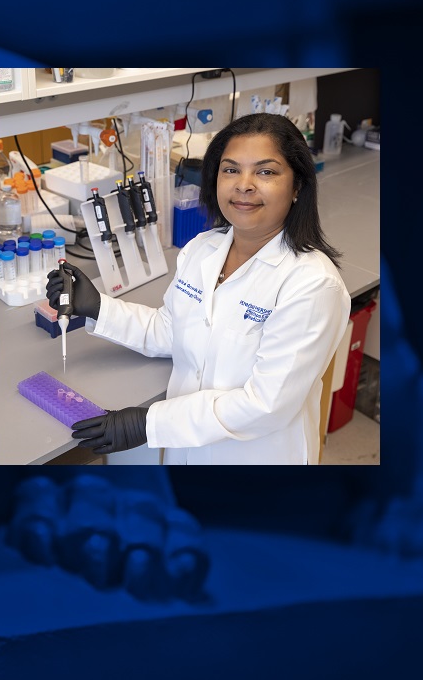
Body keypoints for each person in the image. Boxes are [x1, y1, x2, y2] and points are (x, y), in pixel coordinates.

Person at [47, 113, 350, 465]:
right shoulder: (203, 249)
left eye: (265, 171)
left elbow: (267, 406)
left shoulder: (312, 285)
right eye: (231, 169)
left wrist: (150, 423)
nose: (244, 184)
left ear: (297, 186)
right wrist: (99, 307)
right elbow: (171, 329)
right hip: (188, 452)